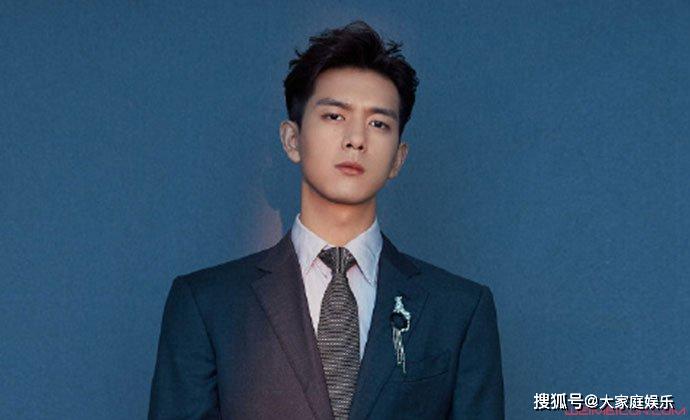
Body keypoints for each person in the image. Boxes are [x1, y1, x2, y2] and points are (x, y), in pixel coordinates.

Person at [148, 20, 504, 420]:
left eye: (379, 123)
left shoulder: (459, 309)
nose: (356, 139)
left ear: (398, 158)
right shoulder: (207, 304)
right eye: (334, 116)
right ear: (292, 139)